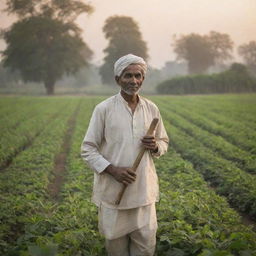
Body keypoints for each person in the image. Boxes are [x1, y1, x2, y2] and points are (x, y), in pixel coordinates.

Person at [81, 53, 169, 256]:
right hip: (114, 195)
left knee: (145, 249)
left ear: (143, 79)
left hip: (143, 194)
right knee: (115, 249)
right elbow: (88, 149)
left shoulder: (151, 109)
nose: (134, 81)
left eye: (138, 76)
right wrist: (113, 170)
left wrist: (154, 146)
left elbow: (163, 142)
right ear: (117, 79)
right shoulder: (103, 109)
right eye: (128, 76)